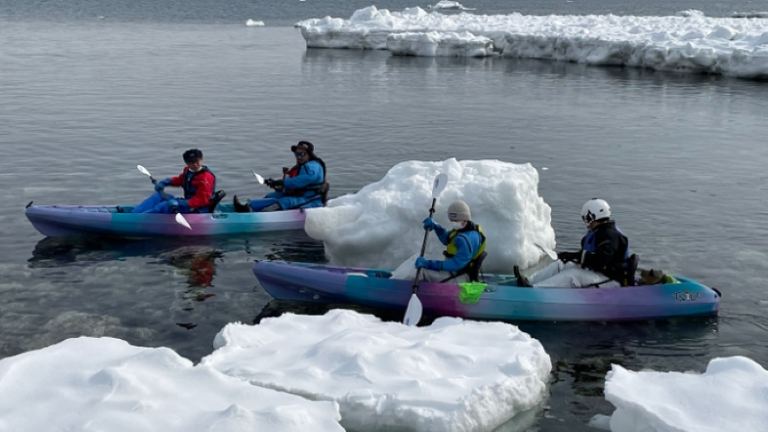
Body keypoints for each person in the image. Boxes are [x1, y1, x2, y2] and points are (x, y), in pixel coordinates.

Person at [514, 198, 631, 288]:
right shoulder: (600, 232)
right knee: (562, 264)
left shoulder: (610, 236)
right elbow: (590, 257)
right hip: (598, 272)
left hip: (610, 279)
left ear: (592, 216)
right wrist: (569, 257)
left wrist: (575, 256)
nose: (586, 222)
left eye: (586, 218)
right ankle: (530, 281)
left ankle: (535, 289)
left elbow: (601, 260)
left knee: (572, 275)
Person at [392, 200, 487, 283]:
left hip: (460, 276)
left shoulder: (467, 240)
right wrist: (436, 227)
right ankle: (396, 276)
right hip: (454, 271)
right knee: (418, 257)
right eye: (452, 221)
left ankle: (396, 285)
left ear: (464, 218)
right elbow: (446, 239)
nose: (453, 223)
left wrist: (429, 264)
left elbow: (456, 264)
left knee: (422, 270)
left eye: (455, 221)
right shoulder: (463, 229)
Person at [233, 140, 327, 212]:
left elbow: (301, 181)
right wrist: (276, 185)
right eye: (296, 154)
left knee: (284, 202)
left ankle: (256, 214)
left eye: (302, 154)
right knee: (271, 196)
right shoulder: (302, 166)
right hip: (299, 195)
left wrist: (282, 182)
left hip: (311, 199)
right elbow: (293, 184)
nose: (298, 157)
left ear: (309, 154)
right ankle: (250, 206)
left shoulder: (313, 167)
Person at [132, 149, 216, 214]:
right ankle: (135, 213)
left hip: (198, 208)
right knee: (158, 196)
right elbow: (180, 180)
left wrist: (182, 203)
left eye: (197, 161)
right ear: (186, 163)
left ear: (201, 159)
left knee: (164, 206)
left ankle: (139, 219)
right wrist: (165, 182)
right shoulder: (188, 170)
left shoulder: (205, 178)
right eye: (191, 162)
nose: (195, 164)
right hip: (188, 202)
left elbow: (202, 200)